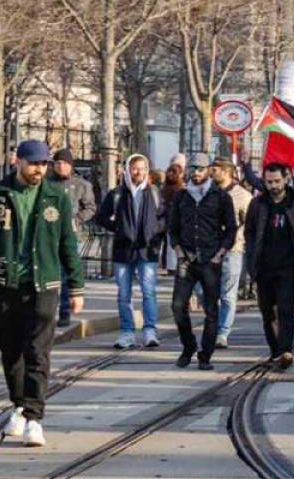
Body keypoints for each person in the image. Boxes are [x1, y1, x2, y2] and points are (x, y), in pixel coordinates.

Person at [0, 139, 83, 448]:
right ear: (18, 161)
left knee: (37, 350)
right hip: (4, 284)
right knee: (10, 349)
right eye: (34, 163)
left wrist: (77, 284)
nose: (39, 170)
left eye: (44, 164)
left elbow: (67, 242)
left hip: (43, 283)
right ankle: (18, 404)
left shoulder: (56, 196)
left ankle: (34, 417)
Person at [166, 155, 237, 370]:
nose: (196, 172)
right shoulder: (182, 196)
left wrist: (220, 254)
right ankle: (188, 347)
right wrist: (178, 251)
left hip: (210, 259)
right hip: (186, 258)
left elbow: (231, 228)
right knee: (178, 306)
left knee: (211, 310)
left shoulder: (221, 197)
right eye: (193, 168)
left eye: (201, 168)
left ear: (209, 171)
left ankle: (205, 354)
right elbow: (173, 228)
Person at [244, 162, 294, 369]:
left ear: (286, 179)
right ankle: (275, 350)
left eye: (276, 181)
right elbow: (250, 233)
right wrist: (252, 259)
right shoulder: (257, 204)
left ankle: (286, 351)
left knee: (285, 308)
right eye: (269, 182)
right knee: (267, 312)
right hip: (264, 266)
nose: (273, 186)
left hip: (289, 266)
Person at [94, 154, 163, 350]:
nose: (138, 172)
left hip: (146, 251)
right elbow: (101, 217)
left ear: (147, 170)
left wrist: (153, 232)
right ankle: (127, 332)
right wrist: (118, 228)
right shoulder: (117, 194)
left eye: (141, 168)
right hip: (123, 251)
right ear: (127, 170)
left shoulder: (154, 193)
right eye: (134, 168)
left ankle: (150, 330)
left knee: (148, 292)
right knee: (124, 294)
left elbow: (165, 218)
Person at [47, 150, 97, 328]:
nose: (61, 166)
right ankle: (48, 313)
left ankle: (65, 312)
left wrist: (76, 220)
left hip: (71, 235)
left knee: (67, 274)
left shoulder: (81, 185)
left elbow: (90, 207)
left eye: (64, 163)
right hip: (48, 234)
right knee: (50, 274)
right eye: (57, 163)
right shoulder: (47, 183)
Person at [216, 160, 252, 350]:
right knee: (205, 292)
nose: (211, 172)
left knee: (228, 295)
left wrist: (237, 236)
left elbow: (249, 222)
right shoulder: (208, 192)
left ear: (226, 172)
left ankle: (222, 332)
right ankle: (212, 325)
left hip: (233, 250)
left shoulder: (243, 195)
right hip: (210, 250)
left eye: (216, 169)